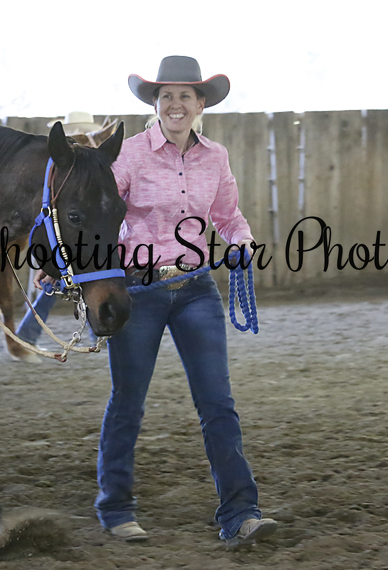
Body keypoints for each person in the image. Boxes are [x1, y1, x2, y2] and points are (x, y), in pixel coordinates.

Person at [94, 56, 277, 547]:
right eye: (166, 96)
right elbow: (101, 211)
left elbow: (228, 216)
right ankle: (115, 506)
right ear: (155, 104)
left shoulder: (215, 157)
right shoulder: (129, 155)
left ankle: (241, 513)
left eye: (185, 96)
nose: (175, 104)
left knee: (218, 403)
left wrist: (241, 242)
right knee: (128, 402)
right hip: (140, 291)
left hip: (197, 288)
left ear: (200, 105)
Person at [15, 112, 108, 347]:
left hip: (71, 233)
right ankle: (29, 332)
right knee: (63, 284)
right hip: (69, 233)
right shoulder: (77, 156)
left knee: (63, 285)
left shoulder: (73, 156)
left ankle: (28, 332)